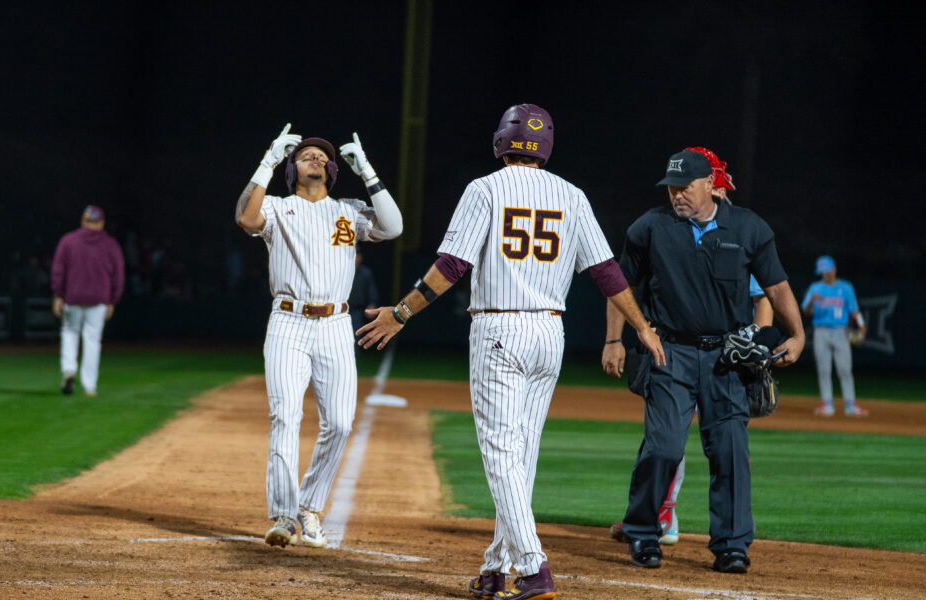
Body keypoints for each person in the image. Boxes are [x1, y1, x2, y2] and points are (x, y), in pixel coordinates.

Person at [357, 103, 665, 600]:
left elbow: (452, 266)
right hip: (550, 333)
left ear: (502, 140)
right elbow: (607, 271)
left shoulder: (485, 189)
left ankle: (532, 564)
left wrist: (403, 311)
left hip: (499, 328)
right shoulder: (572, 194)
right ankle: (496, 565)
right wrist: (641, 326)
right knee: (520, 454)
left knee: (502, 452)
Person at [601, 148, 805, 574]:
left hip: (727, 358)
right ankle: (642, 533)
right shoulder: (650, 227)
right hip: (668, 352)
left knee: (730, 451)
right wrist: (613, 339)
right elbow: (621, 285)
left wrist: (798, 334)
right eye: (672, 187)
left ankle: (732, 546)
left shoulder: (748, 227)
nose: (677, 195)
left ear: (710, 184)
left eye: (685, 187)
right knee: (662, 448)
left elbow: (776, 285)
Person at [235, 124, 403, 549]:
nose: (315, 158)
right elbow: (245, 217)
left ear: (332, 169)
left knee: (341, 423)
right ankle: (283, 515)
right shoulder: (277, 207)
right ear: (292, 168)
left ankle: (310, 506)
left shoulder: (348, 210)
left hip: (334, 325)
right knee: (285, 417)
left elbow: (395, 227)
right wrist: (269, 159)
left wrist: (366, 170)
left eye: (321, 156)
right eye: (305, 155)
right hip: (288, 322)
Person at [51, 205, 125, 397]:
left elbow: (58, 270)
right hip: (99, 299)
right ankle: (89, 387)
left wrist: (58, 294)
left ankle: (69, 371)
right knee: (92, 341)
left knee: (69, 332)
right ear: (101, 223)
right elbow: (119, 275)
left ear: (83, 220)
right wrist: (113, 300)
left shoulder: (68, 240)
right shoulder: (110, 244)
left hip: (73, 297)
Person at [801, 256, 868, 417]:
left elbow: (854, 310)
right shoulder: (815, 288)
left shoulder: (845, 287)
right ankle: (827, 404)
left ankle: (850, 404)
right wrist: (811, 302)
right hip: (821, 332)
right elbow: (806, 312)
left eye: (827, 270)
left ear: (834, 269)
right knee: (824, 369)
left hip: (841, 331)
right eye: (822, 272)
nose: (825, 274)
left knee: (845, 369)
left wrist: (862, 326)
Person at [348, 246, 380, 339]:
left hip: (356, 311)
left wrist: (372, 304)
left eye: (357, 256)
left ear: (360, 257)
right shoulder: (341, 271)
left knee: (355, 337)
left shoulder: (365, 273)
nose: (355, 258)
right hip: (341, 309)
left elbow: (372, 291)